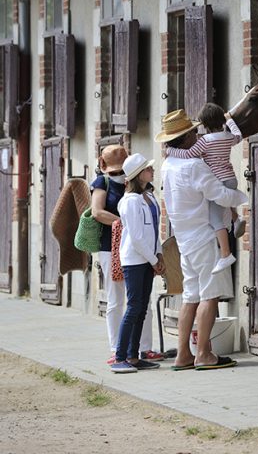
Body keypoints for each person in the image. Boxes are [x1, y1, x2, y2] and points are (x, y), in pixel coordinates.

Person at [156, 109, 247, 371]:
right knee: (210, 296)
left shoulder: (168, 164)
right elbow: (218, 193)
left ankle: (184, 353)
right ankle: (204, 354)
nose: (198, 135)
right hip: (204, 236)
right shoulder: (194, 166)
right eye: (194, 132)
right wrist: (242, 199)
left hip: (184, 237)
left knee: (190, 296)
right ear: (185, 138)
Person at [90, 145, 161, 365]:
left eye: (122, 171)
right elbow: (97, 212)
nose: (119, 175)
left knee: (140, 303)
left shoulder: (144, 192)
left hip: (140, 250)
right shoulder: (103, 183)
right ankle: (117, 350)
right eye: (114, 172)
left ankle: (141, 349)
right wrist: (126, 224)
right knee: (118, 300)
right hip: (112, 246)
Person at [164, 103, 246, 275]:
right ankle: (236, 218)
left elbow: (187, 154)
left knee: (215, 219)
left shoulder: (205, 141)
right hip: (231, 178)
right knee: (223, 206)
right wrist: (230, 121)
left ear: (205, 125)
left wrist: (170, 150)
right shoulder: (228, 137)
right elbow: (239, 136)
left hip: (218, 180)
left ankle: (226, 253)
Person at [110, 153, 165, 374]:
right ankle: (120, 357)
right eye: (148, 169)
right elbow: (136, 236)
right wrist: (153, 260)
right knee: (133, 307)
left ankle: (133, 356)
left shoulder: (150, 198)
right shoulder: (128, 202)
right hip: (134, 260)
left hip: (149, 259)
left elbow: (154, 229)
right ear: (139, 174)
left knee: (142, 308)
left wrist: (159, 254)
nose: (152, 171)